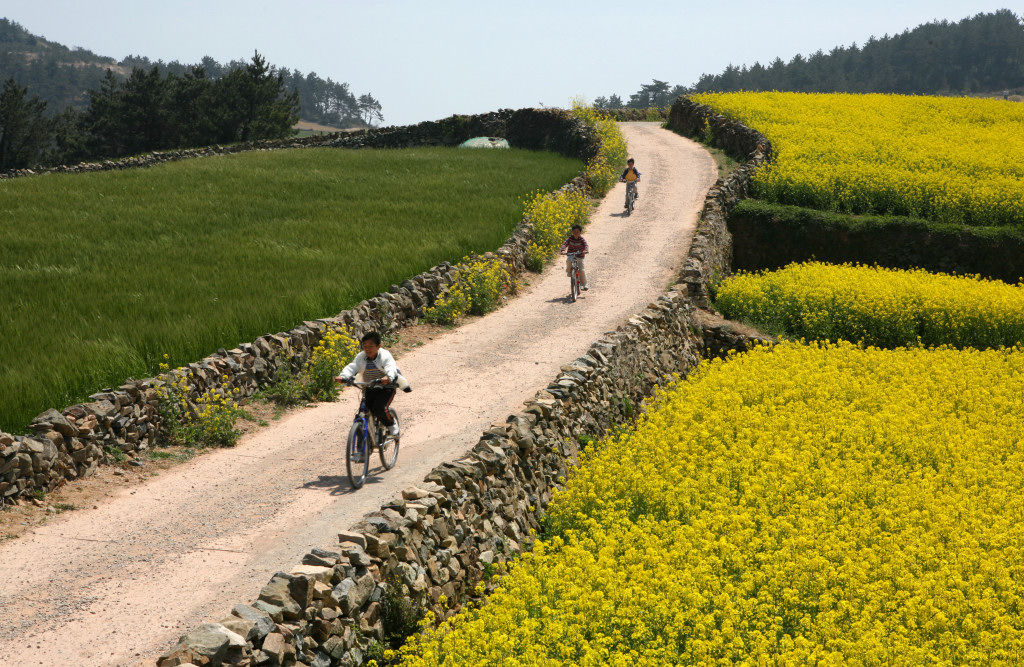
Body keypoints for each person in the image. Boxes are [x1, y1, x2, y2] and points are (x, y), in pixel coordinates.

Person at [335, 331, 401, 439]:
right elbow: (353, 367)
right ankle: (362, 446)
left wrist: (388, 377)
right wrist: (343, 377)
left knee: (379, 408)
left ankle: (392, 425)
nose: (367, 349)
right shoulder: (361, 357)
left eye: (370, 346)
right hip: (369, 387)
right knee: (362, 412)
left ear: (379, 346)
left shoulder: (385, 355)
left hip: (386, 388)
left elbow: (391, 367)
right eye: (365, 346)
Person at [559, 224, 589, 291]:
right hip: (571, 254)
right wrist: (563, 250)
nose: (576, 233)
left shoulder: (581, 239)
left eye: (577, 232)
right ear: (572, 232)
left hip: (580, 256)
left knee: (582, 270)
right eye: (574, 232)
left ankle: (585, 284)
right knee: (568, 261)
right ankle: (569, 271)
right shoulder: (570, 239)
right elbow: (564, 244)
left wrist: (585, 250)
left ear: (580, 233)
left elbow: (586, 245)